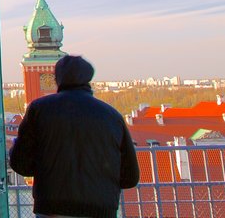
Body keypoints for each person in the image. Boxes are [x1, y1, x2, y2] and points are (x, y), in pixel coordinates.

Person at [9, 55, 139, 218]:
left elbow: (21, 164)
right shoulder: (112, 116)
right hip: (100, 211)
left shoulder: (39, 109)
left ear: (57, 78)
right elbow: (130, 177)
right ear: (88, 78)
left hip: (52, 209)